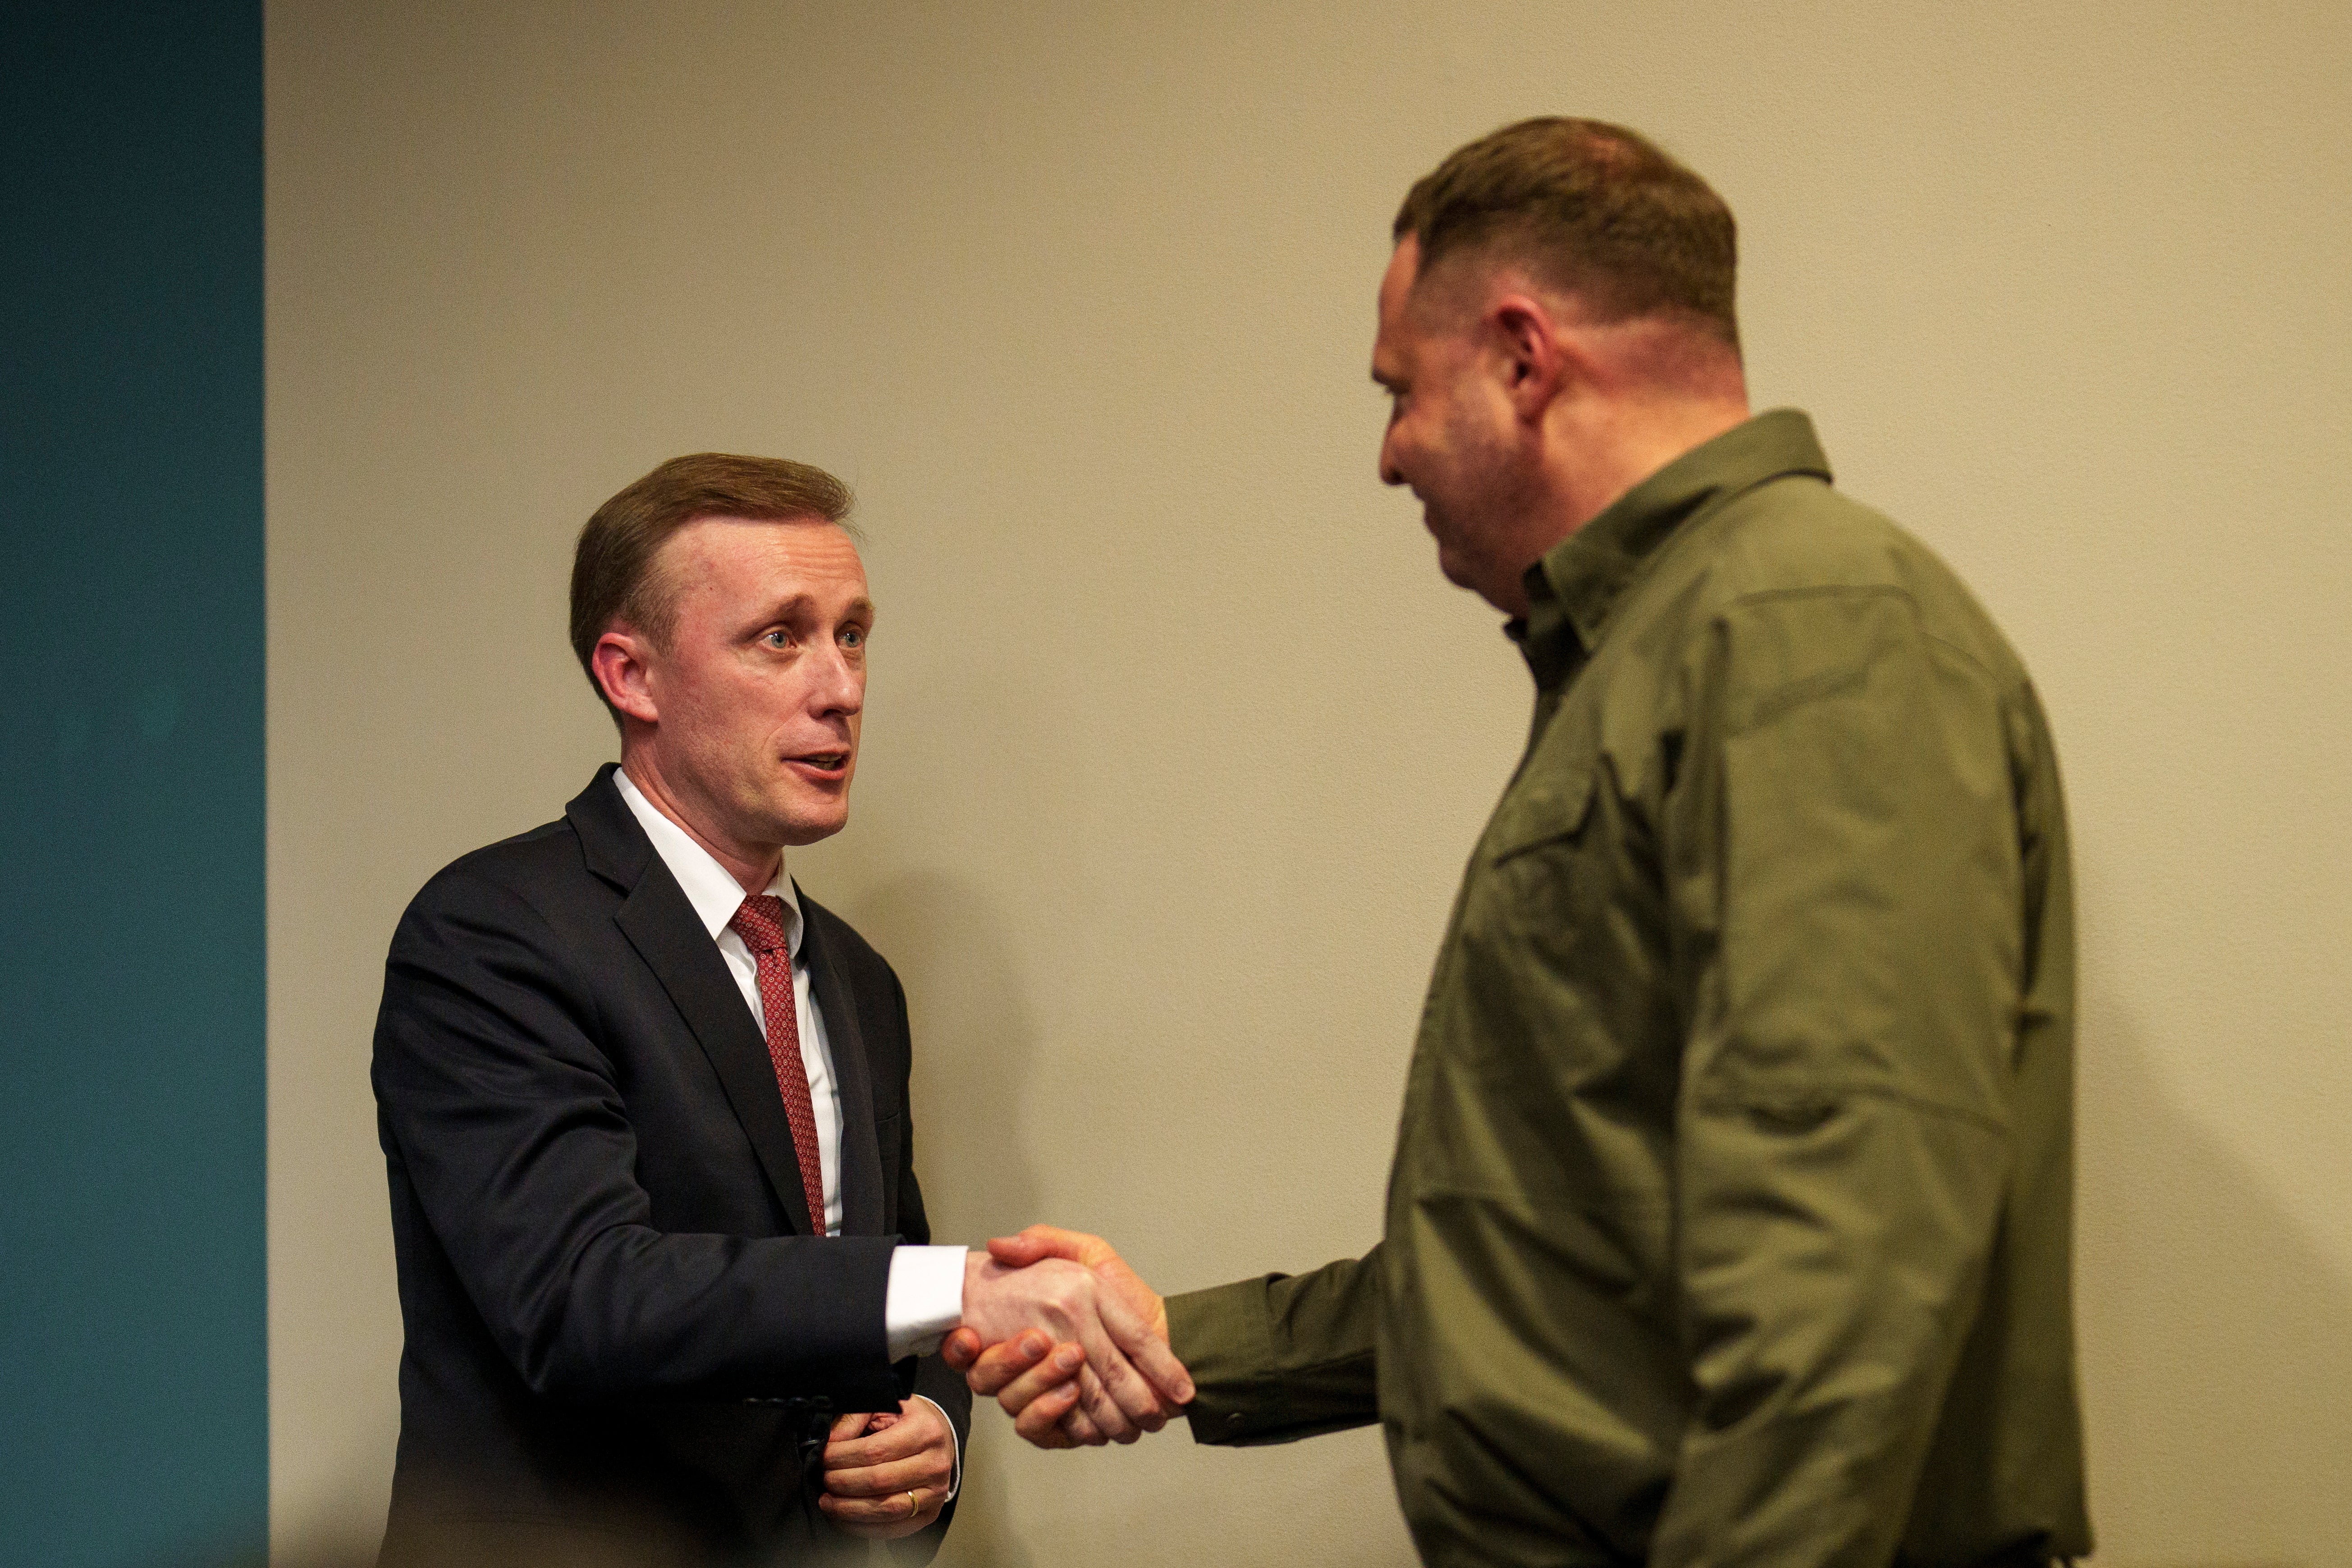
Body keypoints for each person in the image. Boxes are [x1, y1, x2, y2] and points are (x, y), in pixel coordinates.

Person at [950, 118, 2093, 1568]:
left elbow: (1845, 1250)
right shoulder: (1672, 647)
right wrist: (1183, 1345)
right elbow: (1562, 1248)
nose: (1386, 458)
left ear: (1519, 355)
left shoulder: (1807, 628)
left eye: (1399, 394)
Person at [371, 454, 1190, 1566]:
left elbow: (866, 1276)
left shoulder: (855, 977)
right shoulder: (493, 933)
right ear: (632, 676)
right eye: (780, 638)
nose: (841, 687)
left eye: (852, 635)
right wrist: (967, 1287)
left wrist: (930, 1440)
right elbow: (578, 1297)